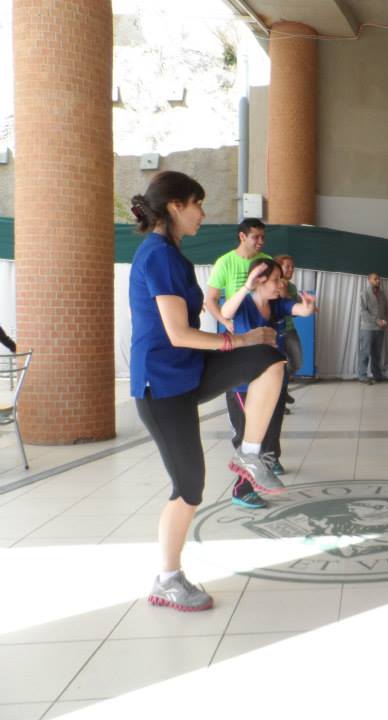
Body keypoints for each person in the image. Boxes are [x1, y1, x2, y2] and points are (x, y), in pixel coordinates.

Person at [128, 171, 285, 612]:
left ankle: (250, 454)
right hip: (161, 385)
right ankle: (167, 579)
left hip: (188, 371)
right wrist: (238, 339)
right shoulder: (158, 255)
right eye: (197, 203)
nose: (202, 212)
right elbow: (178, 333)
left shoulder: (171, 254)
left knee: (269, 359)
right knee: (189, 486)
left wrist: (248, 343)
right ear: (175, 206)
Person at [221, 259, 317, 507]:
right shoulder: (243, 303)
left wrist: (307, 308)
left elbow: (299, 310)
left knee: (265, 435)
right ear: (259, 281)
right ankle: (241, 490)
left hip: (270, 383)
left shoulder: (276, 305)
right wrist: (246, 286)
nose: (280, 284)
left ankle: (254, 481)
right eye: (275, 279)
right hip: (242, 383)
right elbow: (225, 313)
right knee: (246, 437)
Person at [203, 218, 270, 331]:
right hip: (237, 325)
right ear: (242, 236)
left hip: (263, 323)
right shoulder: (224, 262)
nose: (261, 241)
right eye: (256, 237)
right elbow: (211, 299)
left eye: (263, 237)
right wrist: (225, 322)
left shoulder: (268, 261)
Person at [274, 254, 302, 409]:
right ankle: (279, 398)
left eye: (293, 267)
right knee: (277, 367)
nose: (291, 269)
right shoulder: (271, 284)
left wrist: (287, 294)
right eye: (287, 266)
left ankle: (283, 388)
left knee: (297, 362)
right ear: (279, 267)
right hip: (275, 332)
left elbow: (296, 311)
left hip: (290, 329)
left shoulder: (292, 287)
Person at [358, 272, 388, 384]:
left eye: (379, 279)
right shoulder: (364, 293)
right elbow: (363, 312)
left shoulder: (382, 294)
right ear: (369, 280)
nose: (378, 281)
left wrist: (385, 321)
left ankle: (377, 375)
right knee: (365, 352)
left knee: (377, 354)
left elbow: (386, 309)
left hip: (380, 329)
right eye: (375, 279)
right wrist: (376, 321)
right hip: (367, 328)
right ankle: (362, 376)